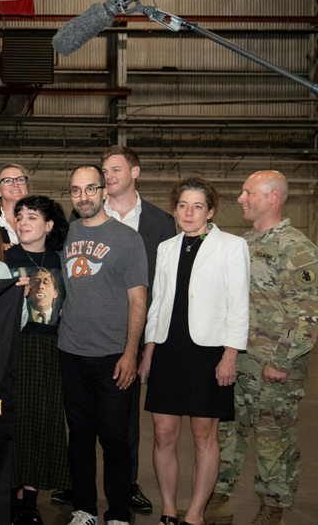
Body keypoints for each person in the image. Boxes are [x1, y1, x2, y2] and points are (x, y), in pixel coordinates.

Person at [208, 171, 318, 525]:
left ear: (273, 197)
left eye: (247, 192)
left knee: (274, 441)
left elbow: (307, 315)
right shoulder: (243, 243)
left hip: (274, 367)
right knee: (227, 433)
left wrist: (281, 361)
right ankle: (218, 501)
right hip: (237, 362)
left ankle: (272, 509)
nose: (240, 198)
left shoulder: (296, 249)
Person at [137, 178, 249, 525]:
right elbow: (157, 303)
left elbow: (239, 303)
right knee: (162, 434)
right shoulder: (167, 248)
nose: (189, 212)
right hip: (168, 350)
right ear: (175, 209)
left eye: (198, 206)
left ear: (211, 210)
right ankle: (169, 510)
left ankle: (196, 514)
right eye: (183, 205)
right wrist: (149, 350)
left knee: (204, 436)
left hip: (209, 352)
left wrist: (230, 354)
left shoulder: (232, 246)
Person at [58, 164, 148, 525]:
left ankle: (118, 512)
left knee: (114, 439)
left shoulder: (127, 239)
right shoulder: (62, 235)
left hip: (113, 356)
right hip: (70, 353)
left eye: (90, 188)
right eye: (76, 190)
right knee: (79, 437)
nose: (84, 196)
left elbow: (139, 300)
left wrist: (130, 353)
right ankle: (84, 508)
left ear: (104, 190)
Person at [98, 145, 176, 512]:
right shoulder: (89, 214)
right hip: (93, 328)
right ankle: (76, 479)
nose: (108, 176)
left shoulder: (159, 221)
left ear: (135, 172)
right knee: (84, 412)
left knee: (127, 412)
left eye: (115, 169)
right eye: (105, 171)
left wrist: (152, 342)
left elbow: (164, 284)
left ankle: (126, 483)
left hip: (138, 329)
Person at [3, 195, 70, 525]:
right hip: (12, 350)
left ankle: (29, 502)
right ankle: (9, 500)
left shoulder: (62, 260)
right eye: (19, 216)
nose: (23, 221)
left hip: (49, 353)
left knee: (39, 424)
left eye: (32, 216)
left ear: (49, 225)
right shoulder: (3, 259)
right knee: (13, 423)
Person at [0, 163, 30, 245]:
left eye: (20, 180)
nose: (16, 185)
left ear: (27, 188)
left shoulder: (40, 222)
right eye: (8, 181)